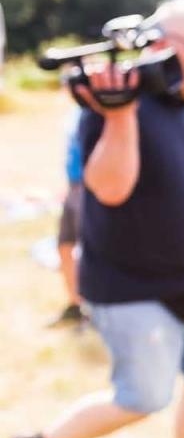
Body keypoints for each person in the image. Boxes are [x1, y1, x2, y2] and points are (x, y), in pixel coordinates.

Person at [8, 0, 184, 438]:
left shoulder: (176, 101)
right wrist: (121, 116)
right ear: (165, 46)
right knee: (142, 397)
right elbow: (110, 189)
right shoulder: (115, 105)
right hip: (132, 284)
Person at [47, 106, 87, 330]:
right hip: (74, 186)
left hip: (90, 189)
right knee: (64, 245)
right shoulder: (72, 113)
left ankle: (93, 310)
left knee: (89, 251)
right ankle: (75, 305)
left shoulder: (98, 111)